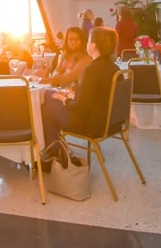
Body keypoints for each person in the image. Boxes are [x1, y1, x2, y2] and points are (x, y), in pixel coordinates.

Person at [41, 26, 120, 157]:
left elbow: (80, 108)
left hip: (91, 125)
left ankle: (53, 154)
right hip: (110, 122)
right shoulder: (113, 67)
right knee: (49, 104)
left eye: (88, 41)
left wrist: (65, 100)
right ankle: (54, 152)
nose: (87, 44)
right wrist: (73, 94)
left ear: (93, 46)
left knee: (47, 102)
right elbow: (98, 96)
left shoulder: (91, 69)